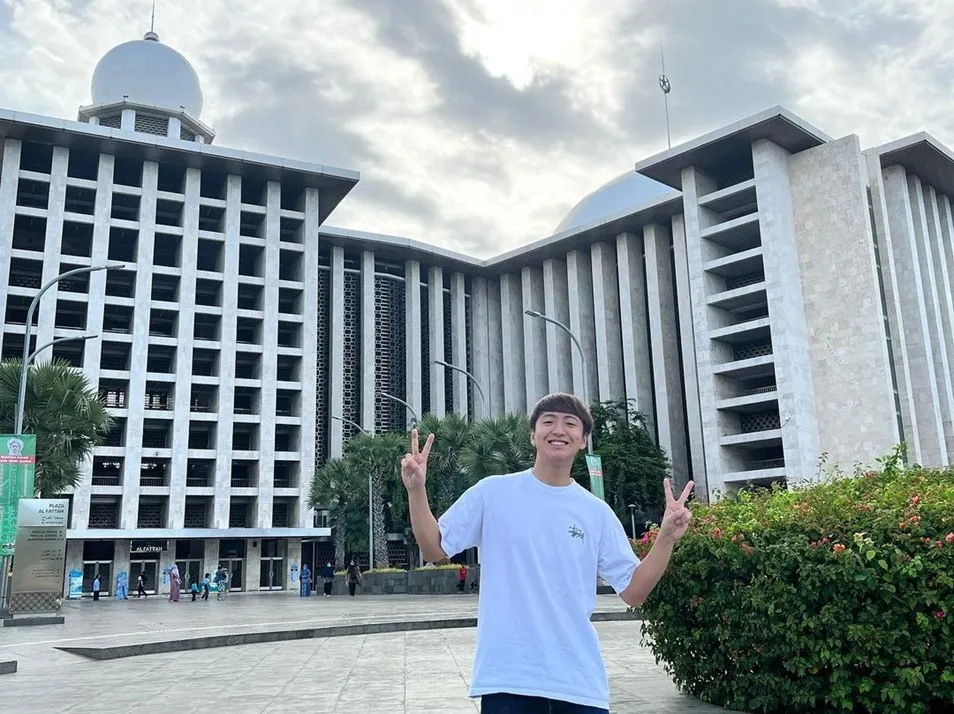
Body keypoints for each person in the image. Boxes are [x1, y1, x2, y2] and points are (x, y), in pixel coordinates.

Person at [402, 392, 694, 714]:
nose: (559, 430)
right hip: (509, 678)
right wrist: (417, 490)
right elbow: (434, 547)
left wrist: (665, 537)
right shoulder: (493, 492)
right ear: (533, 435)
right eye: (548, 421)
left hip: (579, 683)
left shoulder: (595, 512)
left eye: (570, 423)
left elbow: (634, 592)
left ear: (582, 440)